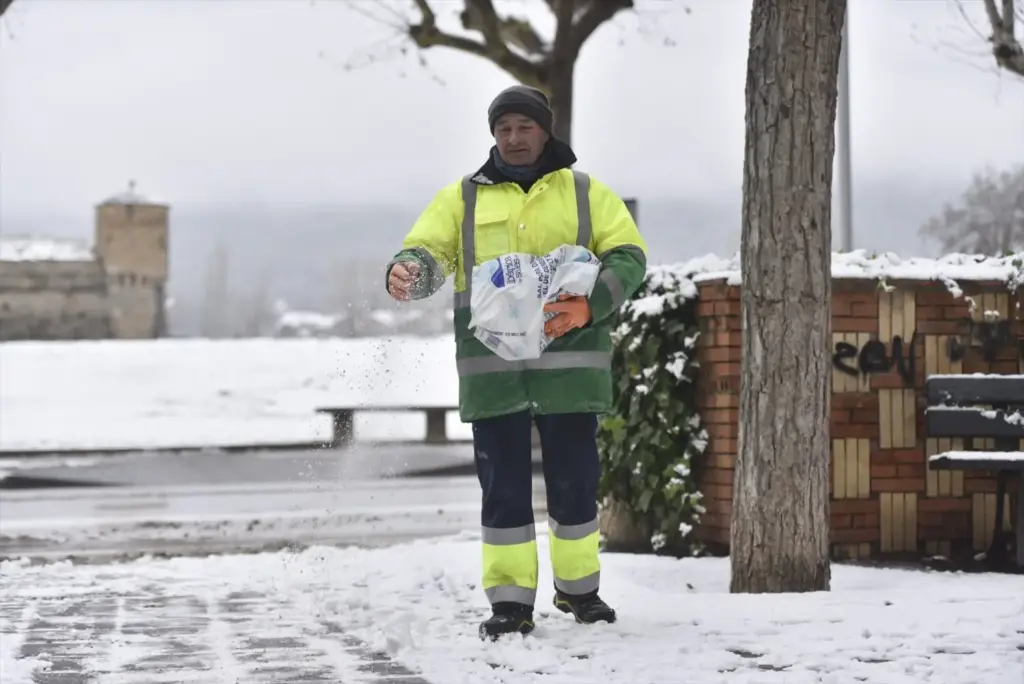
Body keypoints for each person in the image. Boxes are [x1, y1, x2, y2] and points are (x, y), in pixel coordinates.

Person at [385, 85, 647, 640]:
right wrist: (411, 271)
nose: (513, 137)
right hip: (493, 374)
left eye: (524, 127)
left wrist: (592, 303)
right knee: (502, 488)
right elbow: (427, 250)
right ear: (493, 136)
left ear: (544, 130)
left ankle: (580, 593)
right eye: (503, 129)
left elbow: (629, 255)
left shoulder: (585, 193)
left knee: (575, 485)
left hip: (569, 372)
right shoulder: (462, 198)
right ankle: (509, 604)